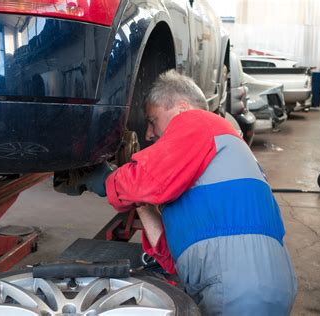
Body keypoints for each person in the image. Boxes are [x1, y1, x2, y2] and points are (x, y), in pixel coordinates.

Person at [83, 69, 297, 315]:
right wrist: (140, 203)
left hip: (239, 287)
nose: (149, 134)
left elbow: (144, 181)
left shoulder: (200, 121)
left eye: (152, 120)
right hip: (257, 285)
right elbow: (172, 256)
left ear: (181, 109)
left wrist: (106, 180)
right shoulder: (216, 154)